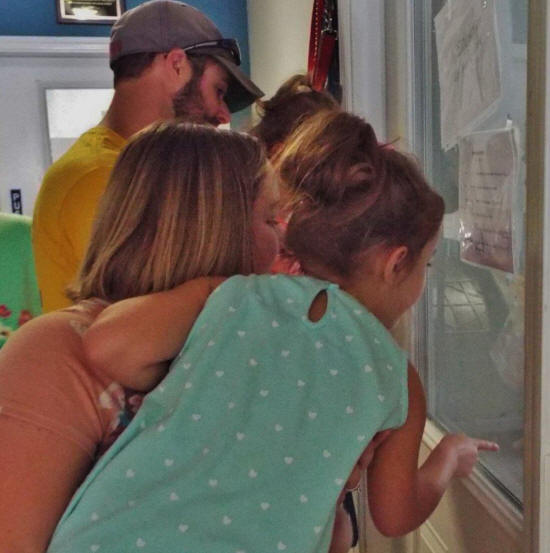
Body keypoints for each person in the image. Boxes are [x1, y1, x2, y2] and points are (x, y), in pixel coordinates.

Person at [47, 111, 499, 553]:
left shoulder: (234, 297)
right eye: (427, 265)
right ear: (396, 263)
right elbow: (394, 515)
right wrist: (446, 460)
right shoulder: (395, 377)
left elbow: (107, 347)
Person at [0, 122, 278, 553]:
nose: (284, 239)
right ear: (214, 228)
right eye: (271, 219)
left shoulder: (243, 344)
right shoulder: (55, 352)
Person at [32, 0, 264, 313]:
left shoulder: (123, 169)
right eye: (218, 91)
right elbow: (157, 318)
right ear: (177, 65)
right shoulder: (102, 176)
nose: (224, 115)